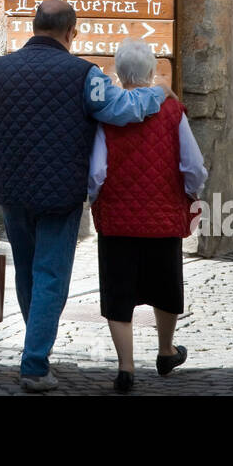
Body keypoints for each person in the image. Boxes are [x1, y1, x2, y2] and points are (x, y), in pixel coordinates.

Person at [0, 0, 172, 393]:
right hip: (60, 193)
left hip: (12, 190)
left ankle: (34, 348)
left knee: (27, 272)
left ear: (34, 26)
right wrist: (159, 93)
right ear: (70, 33)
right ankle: (36, 364)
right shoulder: (84, 75)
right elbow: (122, 110)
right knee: (51, 276)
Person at [88, 37, 207, 393]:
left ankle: (126, 368)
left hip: (117, 217)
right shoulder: (172, 112)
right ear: (152, 72)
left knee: (117, 290)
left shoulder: (107, 115)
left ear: (119, 74)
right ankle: (166, 350)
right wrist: (191, 193)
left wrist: (97, 200)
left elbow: (96, 171)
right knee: (165, 284)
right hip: (163, 215)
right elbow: (193, 164)